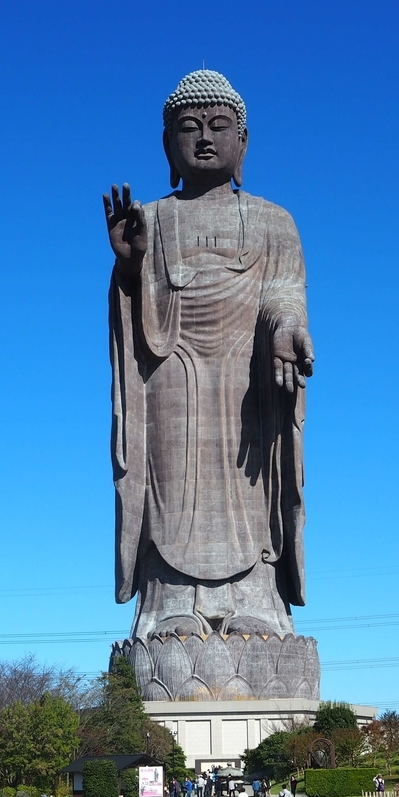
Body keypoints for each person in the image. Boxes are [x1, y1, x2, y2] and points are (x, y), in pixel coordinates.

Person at [105, 70, 315, 642]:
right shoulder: (152, 217)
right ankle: (167, 609)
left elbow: (285, 294)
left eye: (219, 126)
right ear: (168, 142)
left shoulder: (275, 221)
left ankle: (258, 606)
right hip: (171, 375)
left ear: (242, 141)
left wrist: (286, 329)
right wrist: (129, 265)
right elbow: (135, 313)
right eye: (189, 127)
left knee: (253, 485)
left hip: (248, 378)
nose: (204, 138)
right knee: (168, 484)